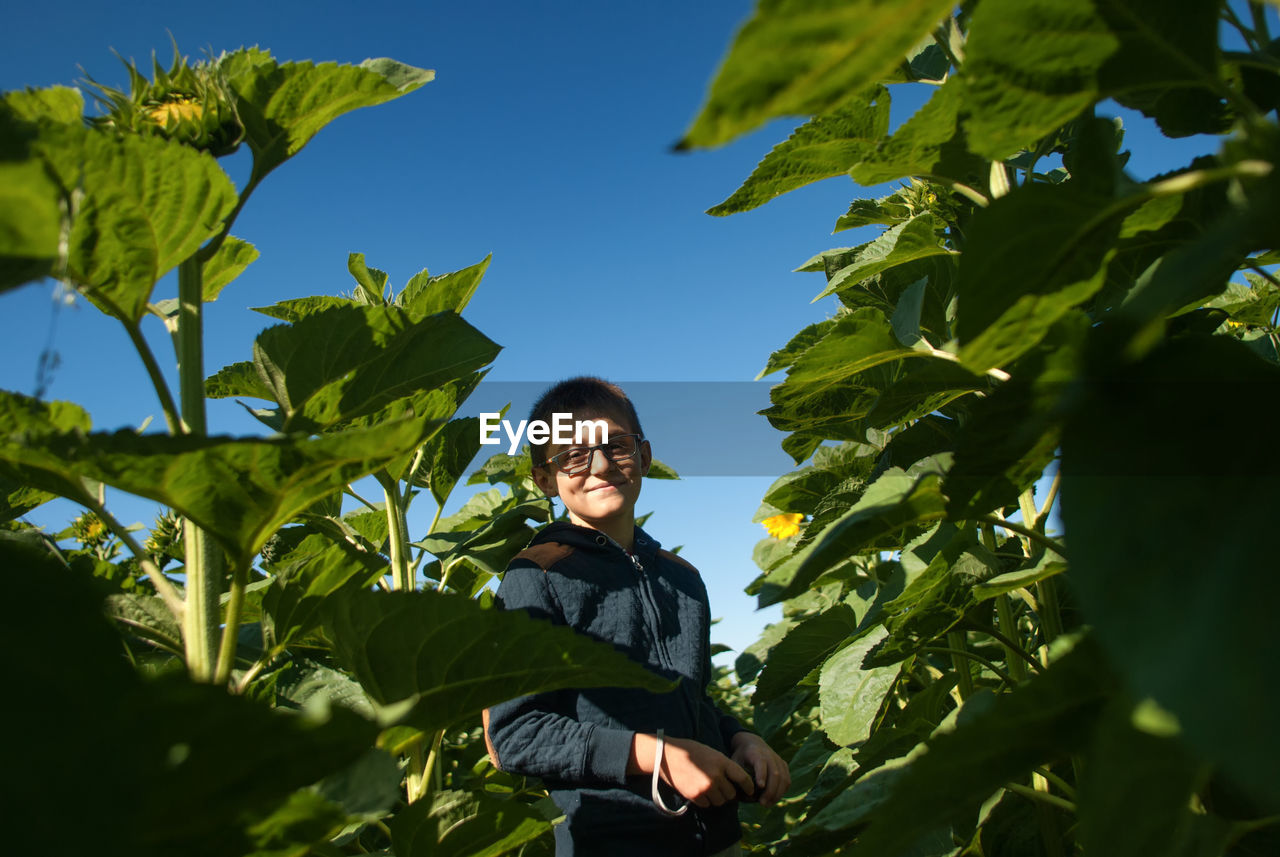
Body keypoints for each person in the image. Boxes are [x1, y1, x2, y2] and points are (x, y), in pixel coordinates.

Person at [483, 377, 790, 856]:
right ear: (546, 478)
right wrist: (658, 756)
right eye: (573, 455)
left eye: (616, 446)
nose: (600, 465)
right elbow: (514, 734)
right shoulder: (536, 576)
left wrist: (740, 737)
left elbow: (691, 703)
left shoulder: (682, 578)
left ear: (644, 456)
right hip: (613, 843)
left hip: (719, 837)